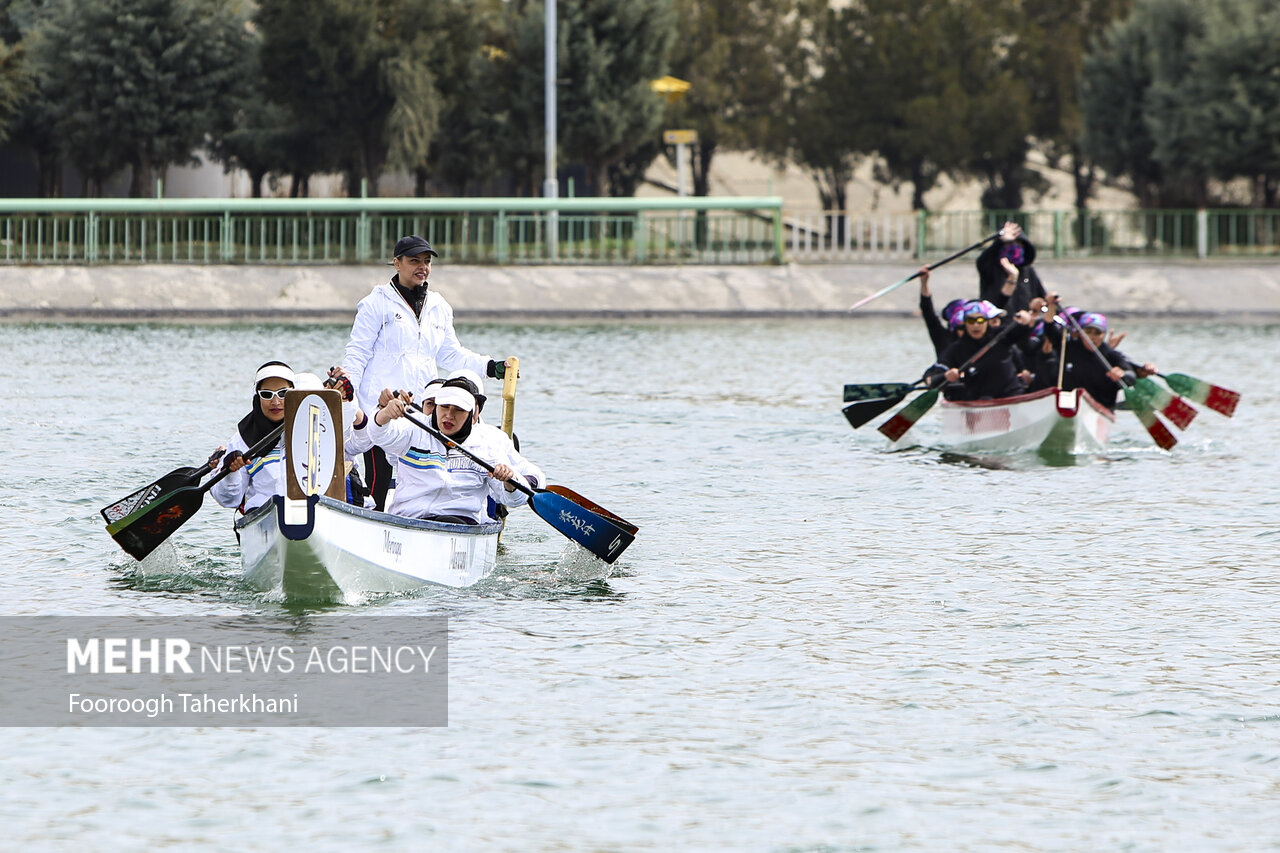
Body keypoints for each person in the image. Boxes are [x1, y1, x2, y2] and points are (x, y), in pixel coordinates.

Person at [341, 234, 517, 512]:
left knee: (417, 477)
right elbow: (357, 353)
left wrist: (490, 367)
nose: (422, 267)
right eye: (414, 261)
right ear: (397, 263)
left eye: (426, 261)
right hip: (383, 406)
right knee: (380, 484)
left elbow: (451, 354)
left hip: (423, 408)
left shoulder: (439, 306)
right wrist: (347, 390)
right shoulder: (376, 303)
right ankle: (376, 519)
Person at [367, 383, 530, 524]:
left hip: (460, 523)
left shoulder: (486, 444)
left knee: (450, 521)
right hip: (408, 518)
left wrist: (509, 482)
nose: (449, 415)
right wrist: (385, 414)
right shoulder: (414, 428)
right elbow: (377, 434)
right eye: (444, 406)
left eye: (458, 410)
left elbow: (516, 500)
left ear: (471, 415)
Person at [210, 361, 294, 514]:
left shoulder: (313, 426)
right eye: (267, 395)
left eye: (283, 393)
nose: (276, 402)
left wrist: (348, 401)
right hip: (262, 512)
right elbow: (228, 500)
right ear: (257, 397)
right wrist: (231, 472)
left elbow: (352, 445)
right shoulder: (241, 440)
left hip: (311, 508)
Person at [926, 300, 1036, 401]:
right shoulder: (957, 349)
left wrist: (1026, 320)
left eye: (980, 320)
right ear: (965, 323)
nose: (975, 325)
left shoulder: (1002, 336)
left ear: (987, 321)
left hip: (1012, 395)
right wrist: (946, 375)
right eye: (971, 320)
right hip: (981, 400)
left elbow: (1022, 332)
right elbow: (935, 375)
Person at [1047, 311, 1157, 411]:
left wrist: (1122, 375)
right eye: (1088, 332)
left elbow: (1131, 376)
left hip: (1101, 407)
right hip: (1068, 404)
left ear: (1103, 335)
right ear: (1080, 333)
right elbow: (1049, 329)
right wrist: (1051, 306)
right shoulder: (1068, 348)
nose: (1092, 337)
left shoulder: (1111, 355)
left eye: (1097, 333)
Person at [977, 221, 1045, 315]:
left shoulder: (1028, 271)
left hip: (1022, 323)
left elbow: (1041, 296)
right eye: (1009, 244)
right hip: (998, 324)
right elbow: (982, 261)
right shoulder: (991, 267)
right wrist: (1001, 240)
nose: (1014, 247)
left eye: (1018, 243)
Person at [918, 265, 967, 358]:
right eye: (961, 327)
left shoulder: (979, 337)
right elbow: (928, 312)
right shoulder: (942, 337)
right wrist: (924, 282)